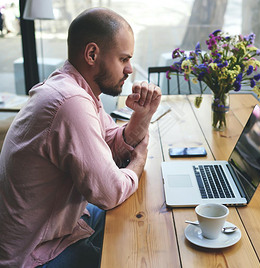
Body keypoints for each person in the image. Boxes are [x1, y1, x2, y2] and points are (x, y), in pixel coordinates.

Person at [0, 7, 161, 268]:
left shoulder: (76, 89)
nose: (130, 69)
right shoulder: (70, 103)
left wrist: (142, 116)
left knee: (141, 218)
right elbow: (109, 191)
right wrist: (139, 161)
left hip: (58, 225)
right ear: (92, 54)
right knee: (138, 252)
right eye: (123, 59)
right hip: (34, 254)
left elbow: (111, 143)